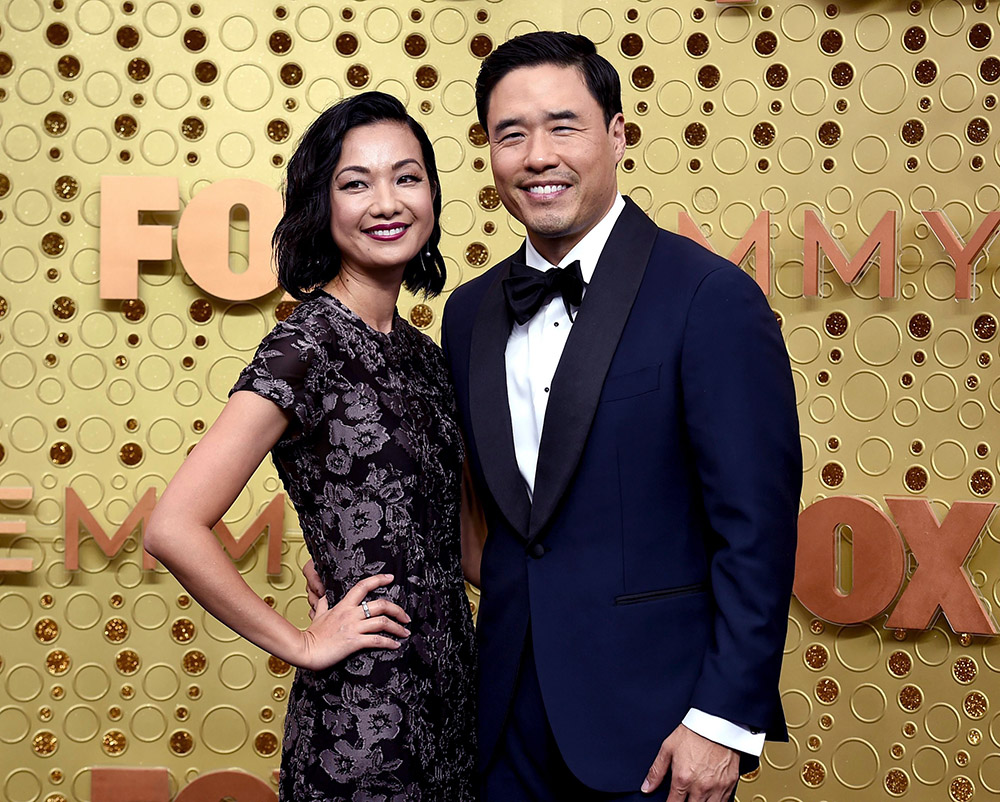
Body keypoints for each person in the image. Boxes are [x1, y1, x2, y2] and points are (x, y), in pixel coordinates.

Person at [309, 31, 801, 801]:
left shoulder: (709, 297)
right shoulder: (469, 314)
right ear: (491, 155)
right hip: (499, 722)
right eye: (512, 134)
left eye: (563, 125)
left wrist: (723, 719)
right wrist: (354, 564)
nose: (538, 155)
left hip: (659, 728)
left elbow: (757, 532)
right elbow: (483, 519)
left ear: (616, 134)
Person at [146, 92, 478, 801]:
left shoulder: (425, 356)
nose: (386, 201)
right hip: (364, 722)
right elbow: (173, 527)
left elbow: (462, 546)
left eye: (407, 176)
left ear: (433, 195)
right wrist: (300, 644)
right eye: (356, 183)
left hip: (455, 708)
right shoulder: (305, 345)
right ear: (320, 207)